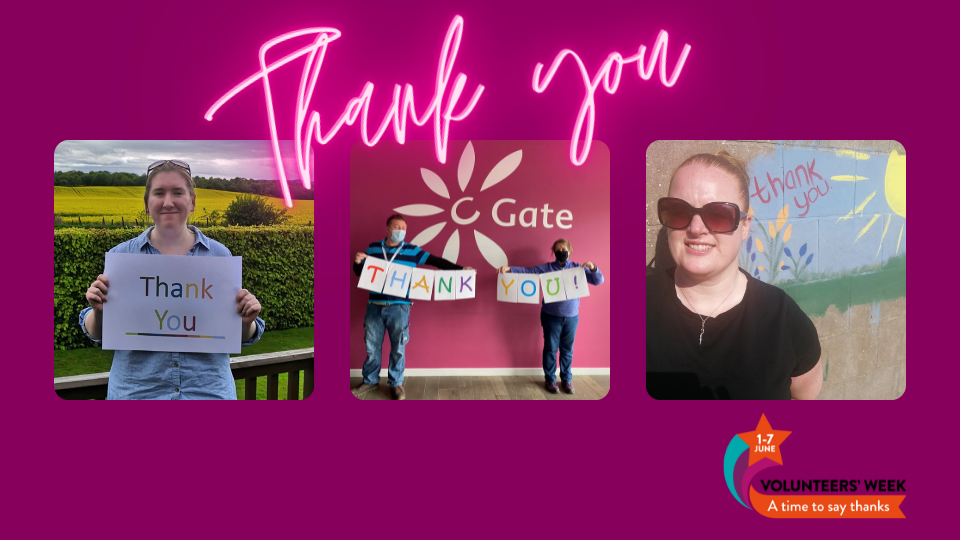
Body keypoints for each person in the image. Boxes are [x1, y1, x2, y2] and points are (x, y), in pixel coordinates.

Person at [80, 160, 265, 400]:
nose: (168, 202)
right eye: (159, 193)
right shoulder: (121, 257)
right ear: (147, 204)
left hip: (207, 394)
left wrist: (246, 320)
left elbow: (238, 335)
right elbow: (98, 332)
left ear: (193, 202)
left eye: (177, 192)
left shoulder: (220, 256)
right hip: (138, 394)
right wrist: (99, 310)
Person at [645, 151, 822, 400]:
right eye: (678, 211)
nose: (696, 229)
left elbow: (804, 399)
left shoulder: (784, 319)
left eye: (718, 214)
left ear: (745, 226)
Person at [352, 214, 472, 400]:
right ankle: (370, 380)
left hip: (400, 307)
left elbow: (436, 261)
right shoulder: (373, 248)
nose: (400, 231)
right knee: (371, 345)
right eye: (396, 227)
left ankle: (396, 383)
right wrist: (357, 262)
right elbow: (360, 273)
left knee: (398, 346)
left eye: (403, 228)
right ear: (387, 228)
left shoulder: (412, 250)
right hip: (374, 305)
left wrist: (460, 269)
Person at [498, 239, 604, 394]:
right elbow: (529, 271)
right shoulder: (547, 268)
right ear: (553, 252)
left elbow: (598, 281)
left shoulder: (577, 268)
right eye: (557, 249)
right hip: (550, 315)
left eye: (564, 249)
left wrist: (593, 268)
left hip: (572, 316)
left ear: (570, 250)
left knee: (567, 350)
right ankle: (550, 379)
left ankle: (567, 380)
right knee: (550, 348)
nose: (561, 252)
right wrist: (509, 269)